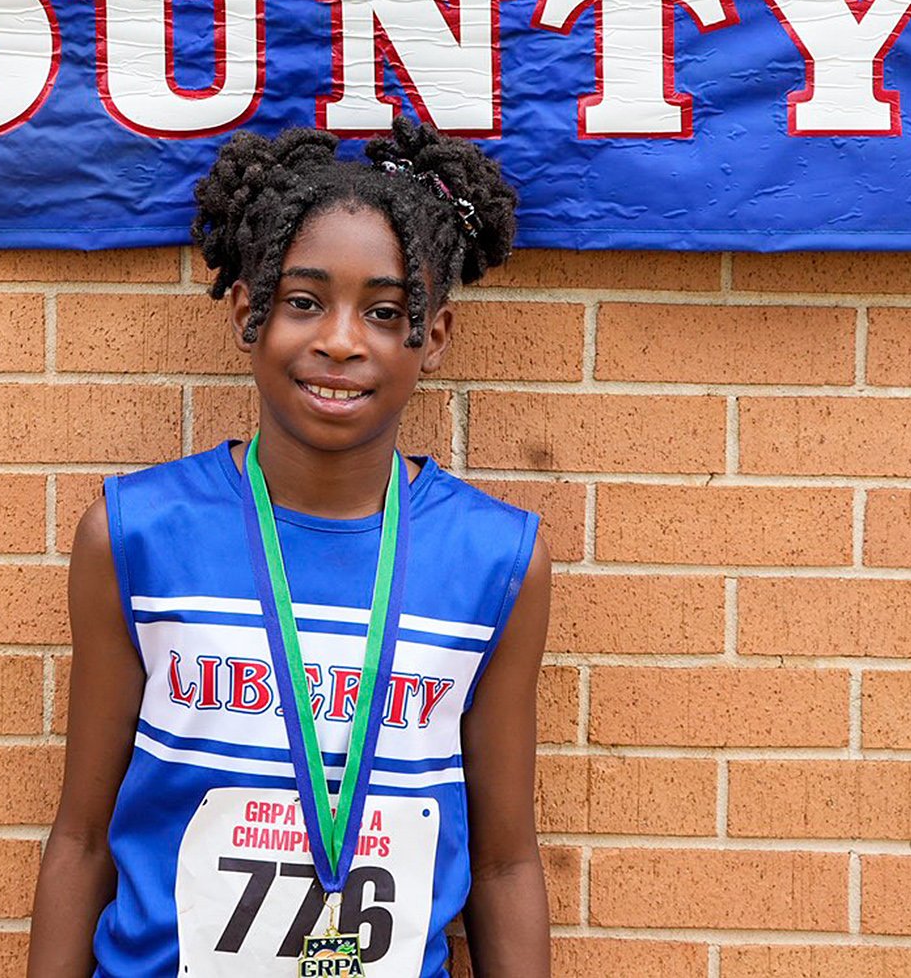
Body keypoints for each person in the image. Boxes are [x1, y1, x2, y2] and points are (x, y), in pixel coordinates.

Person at [28, 118, 552, 978]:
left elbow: (504, 864)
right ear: (248, 312)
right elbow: (82, 838)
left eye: (385, 313)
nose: (341, 340)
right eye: (305, 302)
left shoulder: (496, 559)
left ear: (436, 334)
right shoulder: (136, 536)